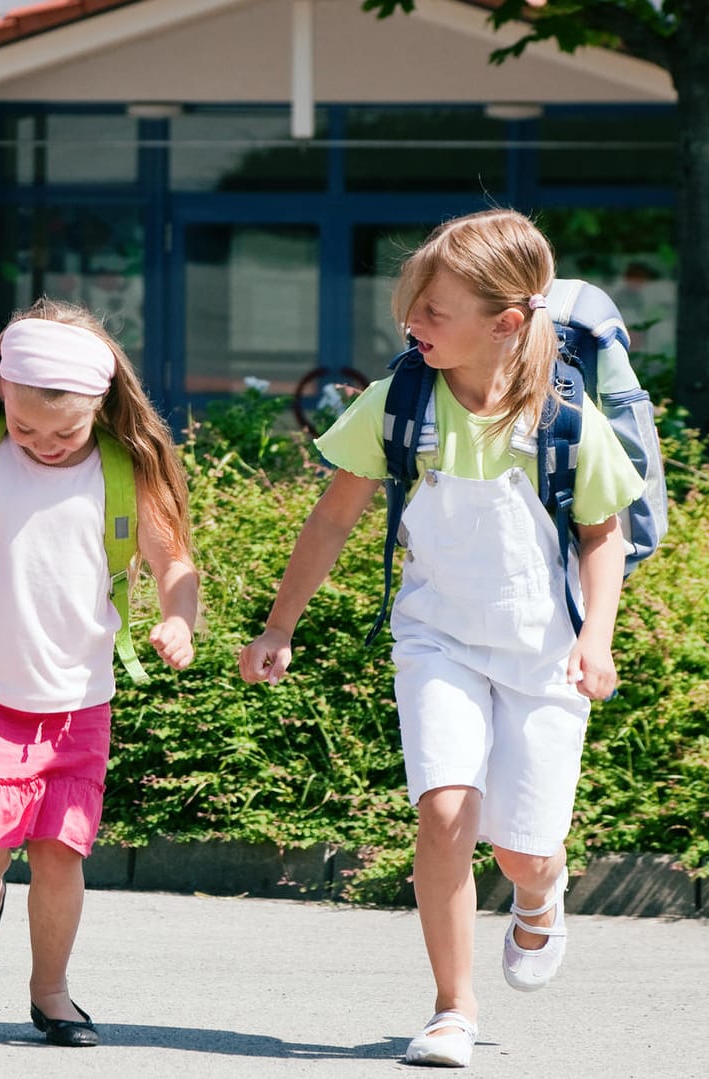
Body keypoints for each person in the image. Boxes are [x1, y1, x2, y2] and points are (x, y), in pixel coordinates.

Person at [238, 209, 645, 1069]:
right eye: (410, 306)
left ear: (505, 323)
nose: (409, 325)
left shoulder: (563, 420)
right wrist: (280, 623)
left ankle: (542, 894)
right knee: (445, 811)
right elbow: (334, 516)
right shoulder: (402, 400)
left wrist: (598, 637)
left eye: (432, 312)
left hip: (545, 655)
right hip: (437, 641)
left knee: (522, 851)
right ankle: (451, 1008)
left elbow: (601, 532)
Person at [0, 298, 198, 1047]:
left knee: (60, 853)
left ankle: (51, 992)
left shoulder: (123, 471)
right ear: (1, 395)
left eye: (65, 430)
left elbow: (173, 562)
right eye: (26, 426)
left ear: (100, 405)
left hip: (81, 700)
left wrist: (179, 616)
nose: (43, 443)